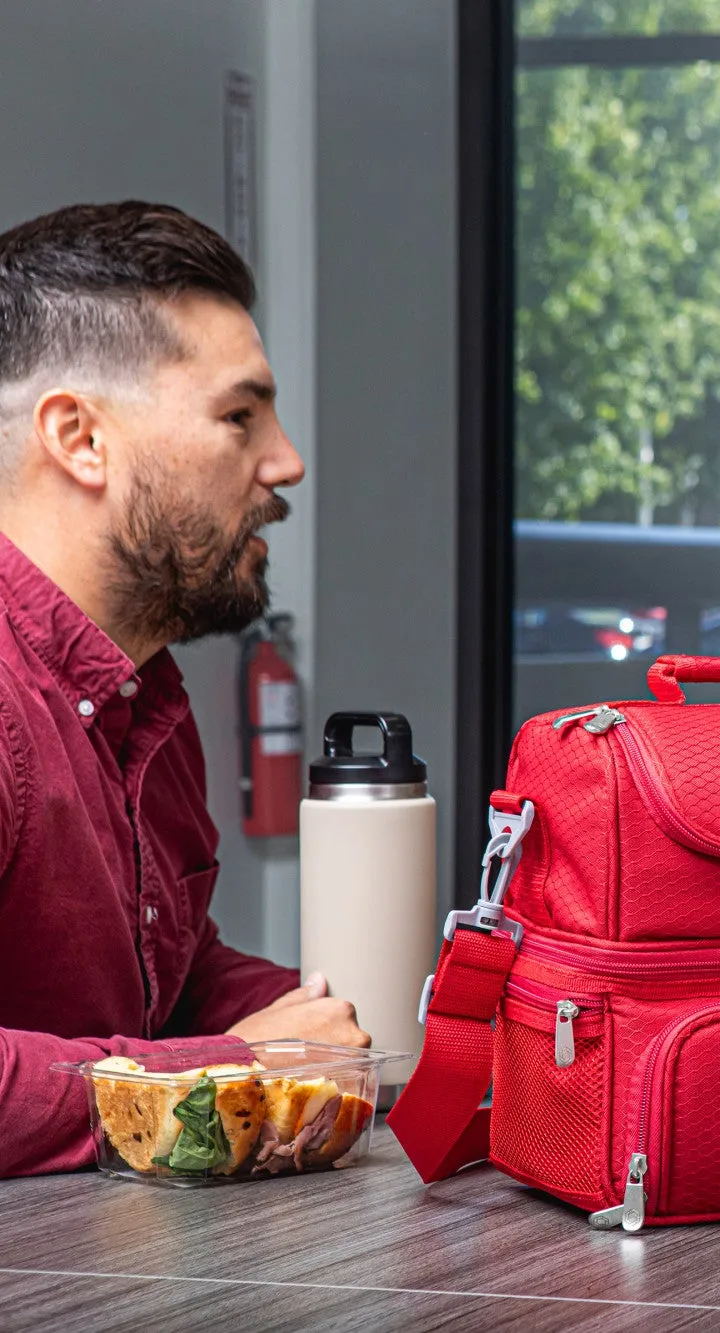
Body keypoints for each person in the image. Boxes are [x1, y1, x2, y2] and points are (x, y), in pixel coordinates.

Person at [0, 202, 369, 1176]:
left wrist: (375, 1024)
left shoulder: (143, 690)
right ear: (79, 438)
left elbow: (172, 977)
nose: (285, 461)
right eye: (238, 417)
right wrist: (231, 1068)